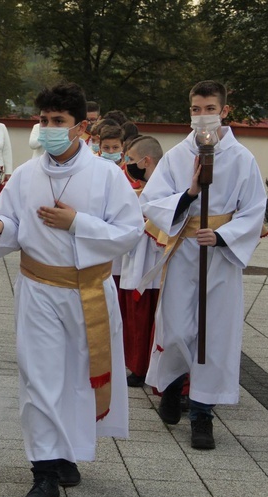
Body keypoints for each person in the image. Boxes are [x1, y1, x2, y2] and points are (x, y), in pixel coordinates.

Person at [0, 83, 143, 497]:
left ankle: (67, 452)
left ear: (79, 127)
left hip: (88, 290)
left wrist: (78, 224)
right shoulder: (27, 175)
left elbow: (130, 232)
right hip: (38, 290)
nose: (49, 129)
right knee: (40, 378)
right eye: (44, 121)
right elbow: (8, 218)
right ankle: (44, 471)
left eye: (58, 122)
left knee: (77, 378)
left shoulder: (106, 175)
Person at [139, 80, 266, 449]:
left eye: (210, 109)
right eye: (196, 109)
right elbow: (152, 201)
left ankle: (202, 414)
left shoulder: (243, 159)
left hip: (220, 257)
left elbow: (255, 209)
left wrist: (225, 235)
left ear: (225, 111)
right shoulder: (178, 156)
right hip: (183, 251)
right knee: (177, 328)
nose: (202, 116)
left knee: (214, 335)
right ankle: (174, 382)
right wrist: (190, 193)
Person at [117, 136, 164, 388]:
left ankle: (143, 368)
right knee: (135, 318)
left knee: (147, 317)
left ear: (147, 161)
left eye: (132, 160)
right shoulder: (144, 187)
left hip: (151, 266)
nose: (128, 165)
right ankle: (137, 365)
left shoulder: (162, 188)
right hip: (136, 260)